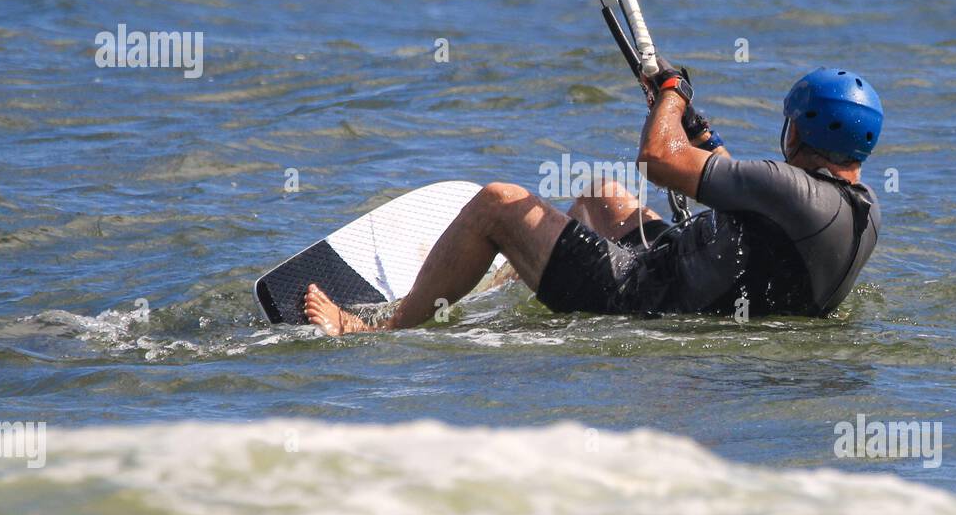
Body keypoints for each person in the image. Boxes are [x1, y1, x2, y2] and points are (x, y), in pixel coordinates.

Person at [303, 65, 883, 334]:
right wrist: (705, 141)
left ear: (797, 134)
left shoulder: (790, 188)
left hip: (648, 297)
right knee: (603, 197)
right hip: (693, 270)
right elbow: (757, 201)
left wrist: (673, 97)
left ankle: (381, 327)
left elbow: (657, 159)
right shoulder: (856, 209)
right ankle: (507, 273)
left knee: (499, 201)